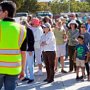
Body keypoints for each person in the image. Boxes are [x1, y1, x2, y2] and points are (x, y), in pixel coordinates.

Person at [0, 1, 26, 90]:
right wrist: (23, 70)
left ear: (5, 12)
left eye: (0, 10)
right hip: (14, 68)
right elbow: (23, 52)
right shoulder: (22, 29)